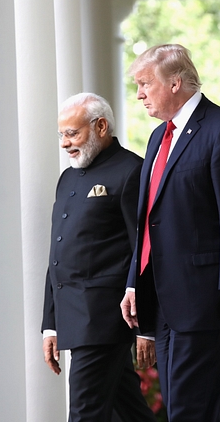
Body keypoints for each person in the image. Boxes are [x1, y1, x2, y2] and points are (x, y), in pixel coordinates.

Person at [120, 44, 220, 422]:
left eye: (144, 84)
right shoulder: (158, 137)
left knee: (189, 411)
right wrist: (133, 284)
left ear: (174, 83)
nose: (139, 94)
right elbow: (147, 221)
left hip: (211, 300)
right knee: (184, 410)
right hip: (167, 301)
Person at [41, 93, 157, 422]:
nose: (65, 143)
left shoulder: (132, 171)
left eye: (72, 133)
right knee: (130, 410)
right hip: (74, 318)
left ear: (101, 126)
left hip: (105, 319)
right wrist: (51, 324)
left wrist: (144, 326)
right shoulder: (67, 179)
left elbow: (144, 252)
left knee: (84, 414)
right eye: (61, 135)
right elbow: (58, 253)